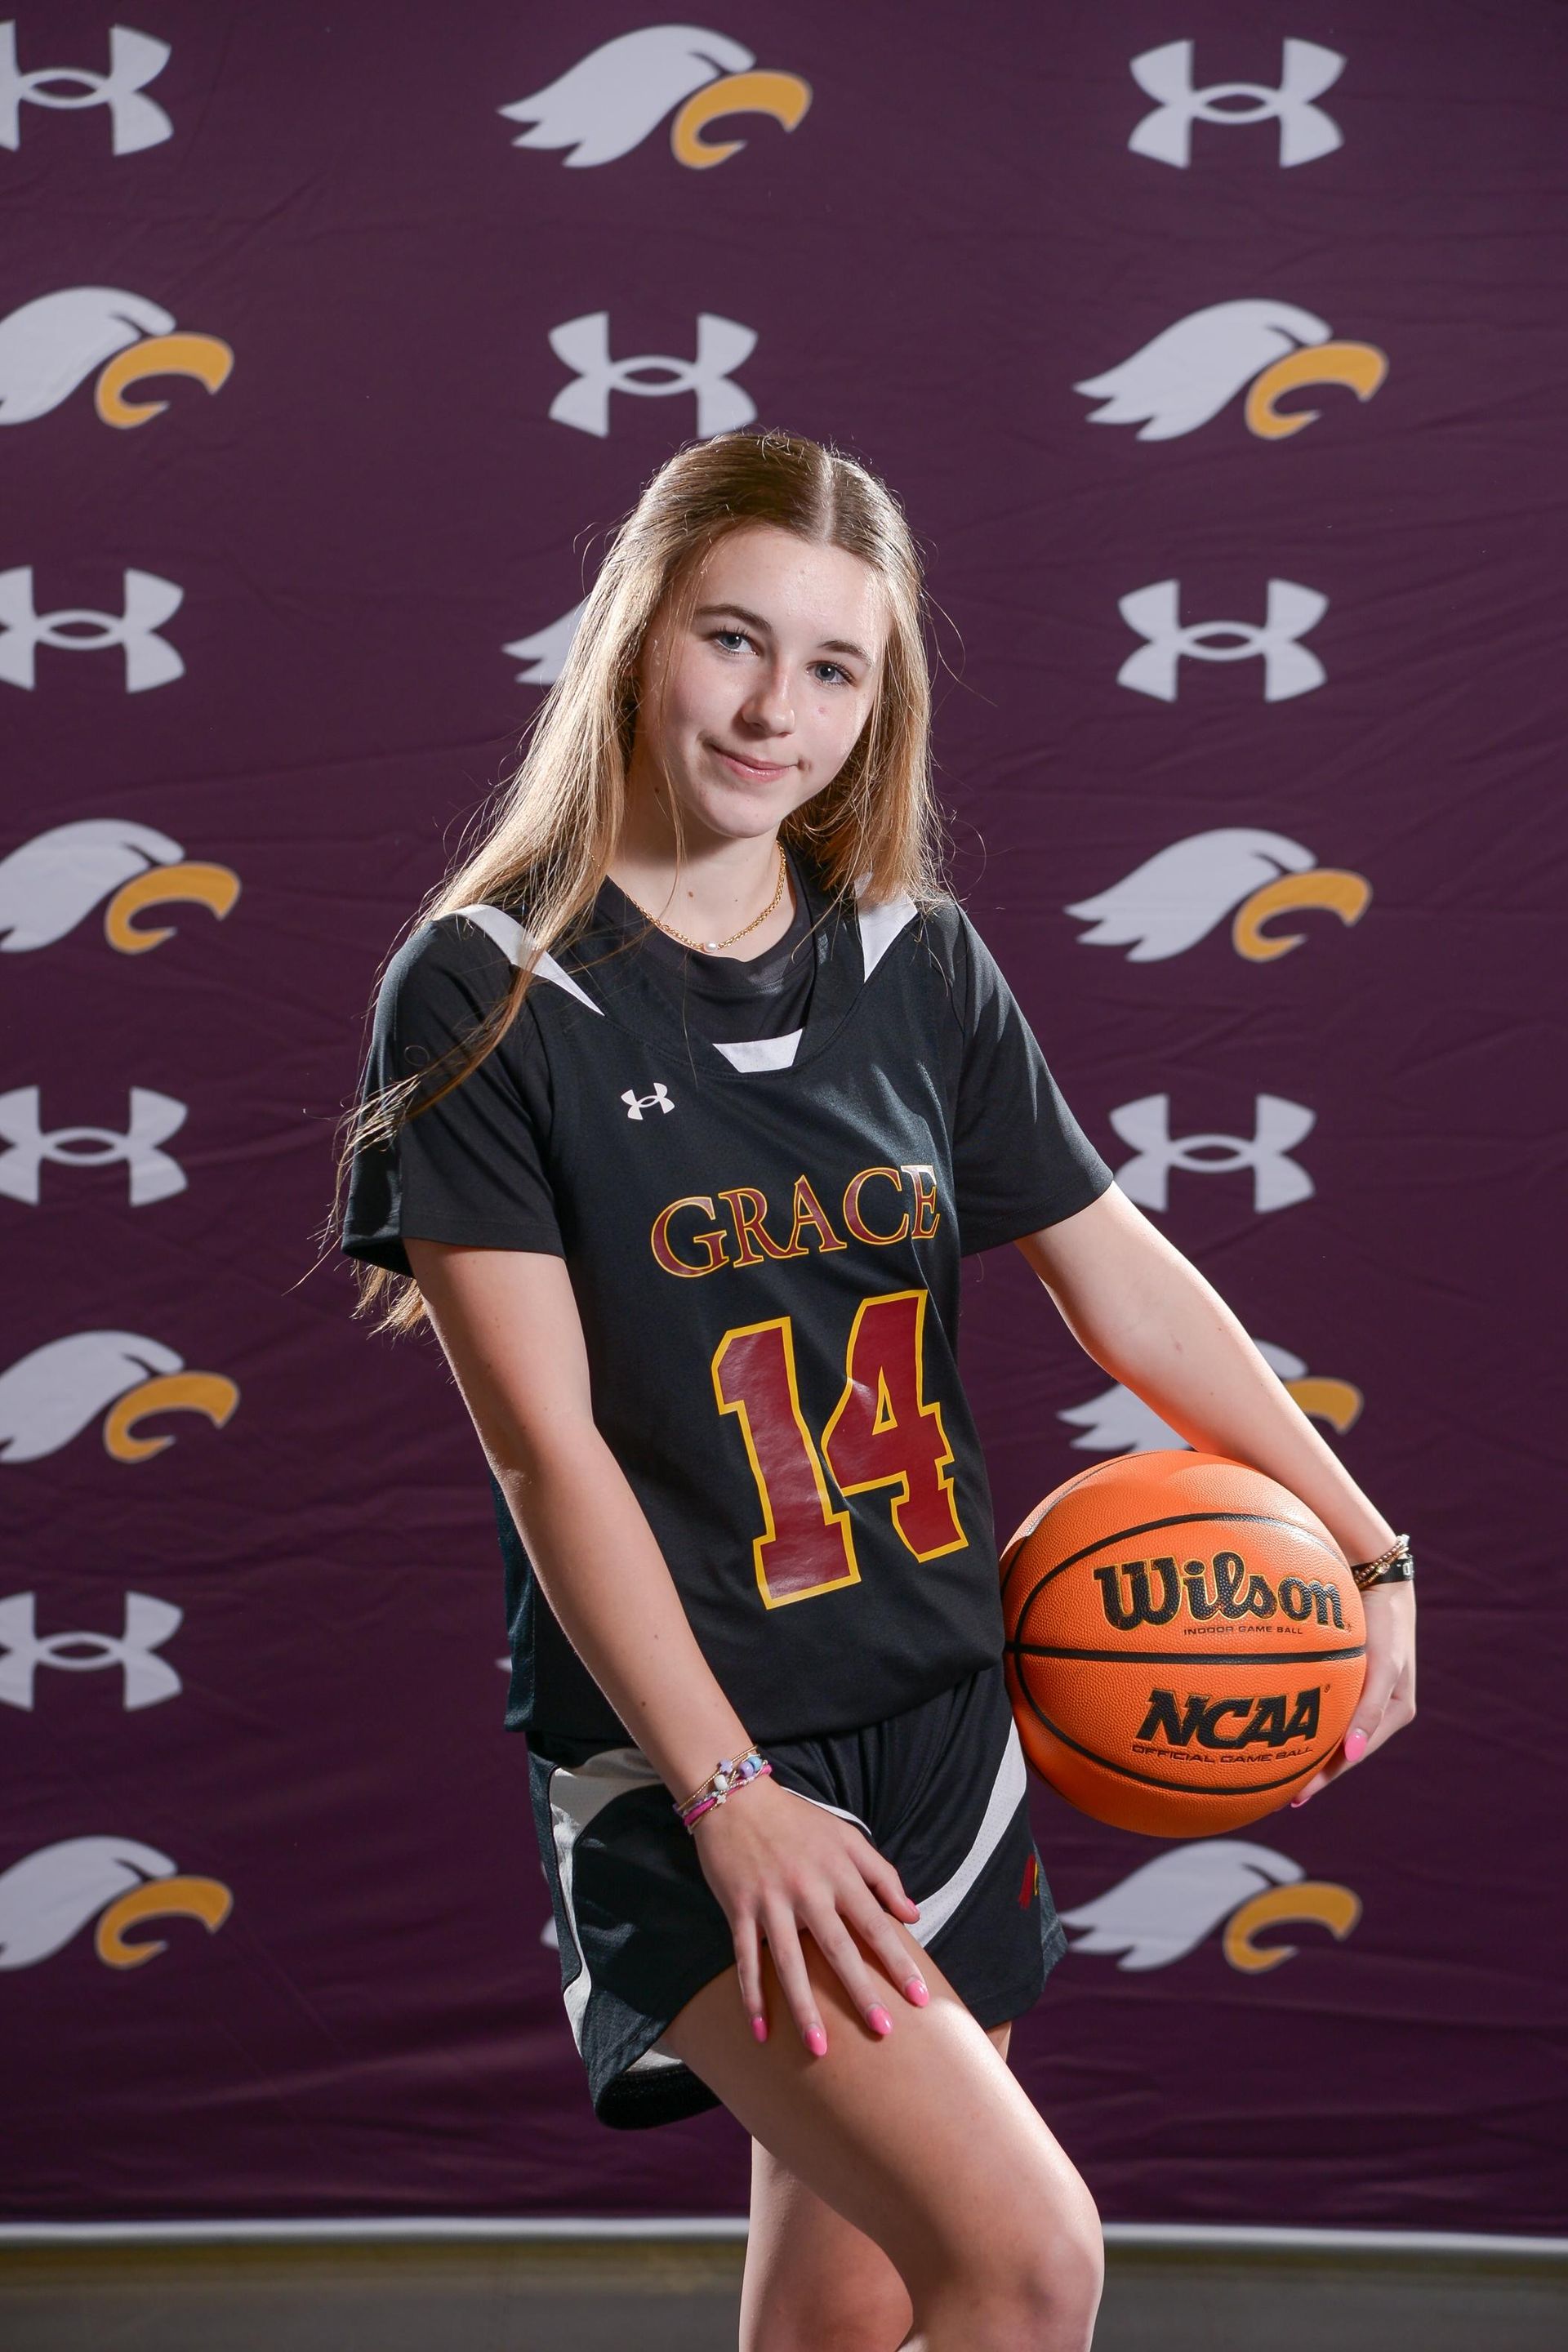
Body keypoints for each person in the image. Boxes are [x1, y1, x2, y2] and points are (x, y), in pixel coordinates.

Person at [334, 430, 1416, 2352]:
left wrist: (1364, 1541)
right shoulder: (488, 990)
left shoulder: (919, 963)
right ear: (635, 638)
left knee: (842, 2311)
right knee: (1029, 2260)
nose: (777, 709)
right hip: (703, 1755)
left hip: (945, 1723)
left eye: (835, 666)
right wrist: (726, 1789)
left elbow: (1124, 1284)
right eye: (733, 641)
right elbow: (544, 1449)